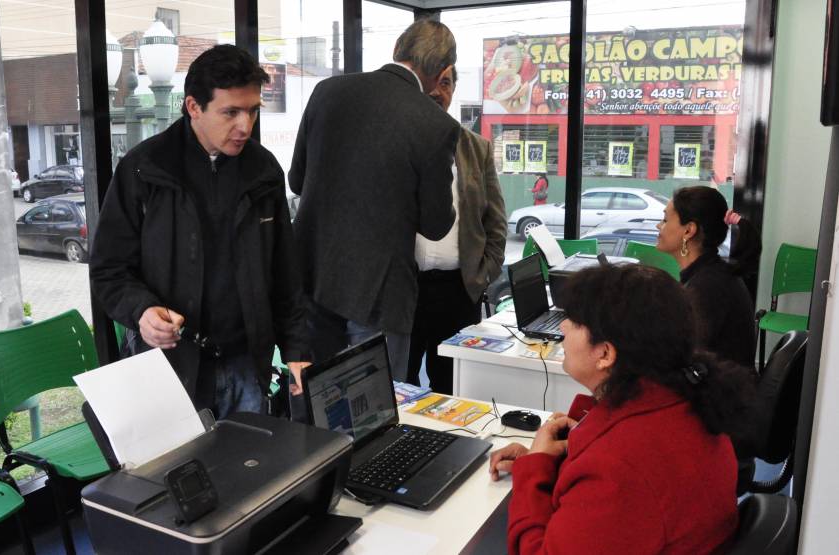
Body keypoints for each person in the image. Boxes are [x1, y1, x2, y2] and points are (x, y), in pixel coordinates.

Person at [90, 45, 310, 419]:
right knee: (173, 474)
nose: (245, 126)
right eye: (231, 112)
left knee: (249, 472)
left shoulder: (263, 170)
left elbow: (285, 273)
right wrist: (142, 312)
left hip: (245, 362)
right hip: (168, 366)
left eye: (253, 111)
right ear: (194, 107)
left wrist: (297, 351)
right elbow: (109, 270)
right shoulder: (144, 169)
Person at [488, 264, 755, 554]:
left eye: (574, 321)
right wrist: (556, 462)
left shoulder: (619, 467)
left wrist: (536, 465)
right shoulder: (688, 404)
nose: (562, 327)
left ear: (605, 354)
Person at [289, 19, 461, 380]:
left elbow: (297, 179)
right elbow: (435, 224)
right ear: (442, 70)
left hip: (313, 276)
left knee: (316, 400)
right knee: (374, 412)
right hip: (380, 292)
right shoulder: (435, 125)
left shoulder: (327, 91)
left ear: (397, 50)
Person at [406, 67, 506, 394]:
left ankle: (447, 446)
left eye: (446, 82)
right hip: (406, 290)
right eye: (431, 82)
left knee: (450, 389)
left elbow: (496, 221)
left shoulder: (476, 148)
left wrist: (483, 274)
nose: (438, 90)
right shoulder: (398, 144)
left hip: (458, 291)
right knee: (398, 387)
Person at [655, 186, 760, 368]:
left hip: (718, 392)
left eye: (665, 220)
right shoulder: (710, 274)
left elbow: (683, 358)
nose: (659, 225)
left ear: (689, 231)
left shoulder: (707, 287)